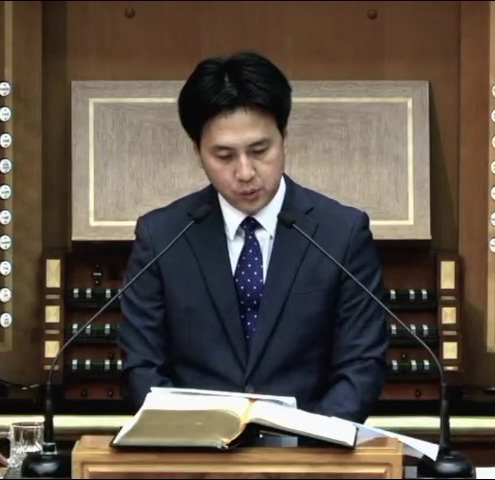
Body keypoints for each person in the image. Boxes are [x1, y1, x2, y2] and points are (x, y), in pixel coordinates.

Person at [118, 50, 389, 424]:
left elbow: (362, 364)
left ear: (284, 139)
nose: (245, 172)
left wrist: (306, 441)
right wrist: (192, 437)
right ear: (197, 152)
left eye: (260, 151)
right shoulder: (161, 236)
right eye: (224, 156)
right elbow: (141, 365)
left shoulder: (341, 233)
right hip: (194, 447)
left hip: (310, 448)